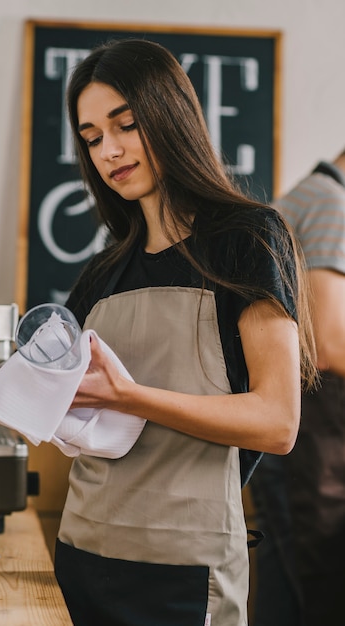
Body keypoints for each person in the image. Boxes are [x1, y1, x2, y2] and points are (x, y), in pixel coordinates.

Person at [53, 38, 317, 626]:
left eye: (126, 125)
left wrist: (129, 397)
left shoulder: (246, 238)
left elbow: (277, 423)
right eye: (93, 138)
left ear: (170, 116)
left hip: (181, 572)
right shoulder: (104, 270)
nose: (110, 150)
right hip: (82, 550)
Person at [250, 149, 345, 626]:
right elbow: (328, 342)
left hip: (285, 415)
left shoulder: (310, 196)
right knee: (311, 573)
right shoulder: (331, 203)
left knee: (285, 567)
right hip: (300, 419)